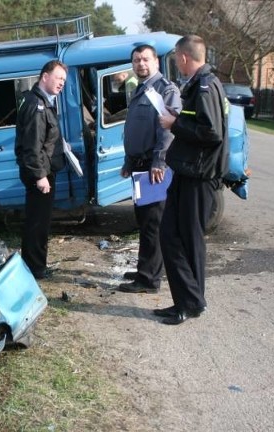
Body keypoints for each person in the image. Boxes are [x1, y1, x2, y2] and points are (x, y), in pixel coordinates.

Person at [157, 35, 229, 325]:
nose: (176, 61)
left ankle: (191, 302)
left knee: (178, 237)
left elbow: (212, 133)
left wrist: (175, 124)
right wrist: (180, 119)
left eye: (176, 57)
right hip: (189, 172)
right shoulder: (202, 83)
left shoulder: (205, 85)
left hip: (198, 176)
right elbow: (201, 123)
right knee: (183, 238)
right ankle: (188, 302)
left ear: (184, 57)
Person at [117, 45, 181, 294]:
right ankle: (146, 268)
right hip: (139, 166)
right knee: (144, 222)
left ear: (156, 61)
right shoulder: (141, 88)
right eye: (136, 60)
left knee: (153, 223)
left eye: (145, 59)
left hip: (153, 168)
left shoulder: (166, 89)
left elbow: (167, 130)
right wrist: (128, 161)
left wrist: (159, 161)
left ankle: (149, 279)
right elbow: (135, 128)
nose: (140, 64)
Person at [15, 60, 67, 279]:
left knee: (40, 221)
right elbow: (32, 146)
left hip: (44, 171)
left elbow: (44, 139)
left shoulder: (44, 102)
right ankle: (34, 268)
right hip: (40, 175)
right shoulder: (36, 105)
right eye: (58, 78)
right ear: (45, 77)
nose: (61, 83)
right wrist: (40, 176)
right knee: (37, 223)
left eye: (64, 80)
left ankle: (36, 265)